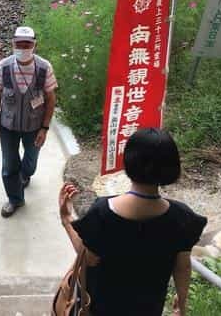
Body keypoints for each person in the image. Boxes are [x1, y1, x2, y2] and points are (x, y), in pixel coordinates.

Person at [58, 128, 207, 316]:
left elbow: (88, 257)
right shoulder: (181, 218)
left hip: (101, 309)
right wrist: (182, 303)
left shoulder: (102, 213)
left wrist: (66, 219)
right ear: (171, 167)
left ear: (129, 162)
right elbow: (182, 266)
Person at [0, 26, 58, 217]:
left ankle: (26, 174)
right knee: (9, 164)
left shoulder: (44, 68)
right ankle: (15, 199)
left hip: (34, 127)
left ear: (34, 45)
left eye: (27, 44)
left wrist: (44, 128)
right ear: (13, 44)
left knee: (30, 162)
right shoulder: (4, 66)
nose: (23, 47)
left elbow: (51, 99)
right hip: (8, 126)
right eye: (19, 43)